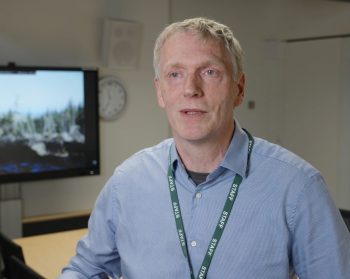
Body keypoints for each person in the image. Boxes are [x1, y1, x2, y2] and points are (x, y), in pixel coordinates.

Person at [60, 17, 350, 279]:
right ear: (160, 92)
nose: (191, 89)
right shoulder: (126, 183)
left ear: (239, 88)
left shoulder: (299, 188)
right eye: (175, 74)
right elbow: (86, 269)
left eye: (210, 72)